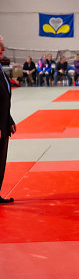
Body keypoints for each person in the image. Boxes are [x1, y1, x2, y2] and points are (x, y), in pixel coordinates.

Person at [0, 36, 15, 203]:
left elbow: (4, 98)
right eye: (0, 49)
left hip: (3, 122)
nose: (2, 52)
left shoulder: (0, 68)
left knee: (1, 161)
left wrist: (9, 120)